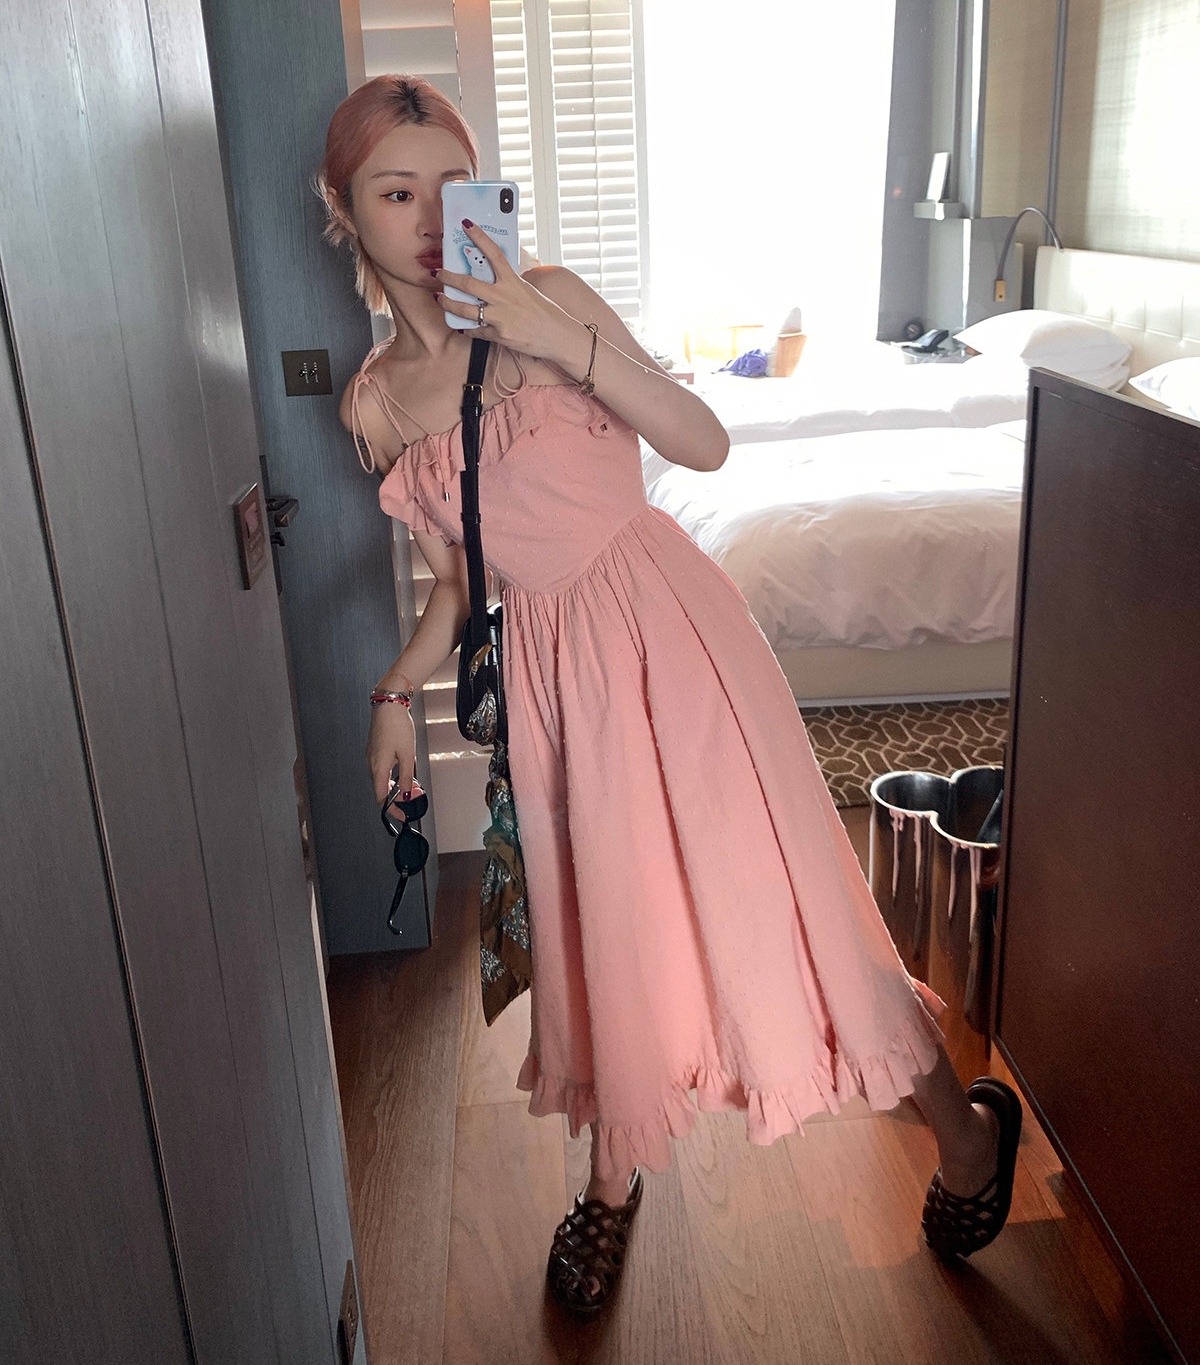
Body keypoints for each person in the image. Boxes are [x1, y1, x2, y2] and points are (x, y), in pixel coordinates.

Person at [318, 74, 1023, 1321]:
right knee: (611, 929)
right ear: (346, 212)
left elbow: (703, 443)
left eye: (450, 185)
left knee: (789, 903)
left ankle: (962, 1131)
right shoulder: (376, 402)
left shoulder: (552, 300)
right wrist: (392, 691)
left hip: (676, 644)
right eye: (394, 191)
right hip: (555, 687)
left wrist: (553, 335)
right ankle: (615, 1172)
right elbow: (459, 583)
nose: (429, 219)